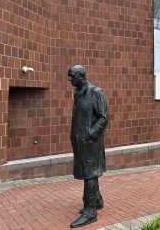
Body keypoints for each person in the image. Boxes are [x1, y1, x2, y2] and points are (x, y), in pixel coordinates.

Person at [68, 65, 109, 228]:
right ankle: (97, 200)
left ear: (81, 75)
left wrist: (90, 135)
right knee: (87, 172)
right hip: (79, 142)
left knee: (90, 174)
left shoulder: (96, 92)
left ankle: (90, 211)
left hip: (90, 142)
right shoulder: (77, 93)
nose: (69, 79)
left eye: (72, 76)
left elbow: (103, 118)